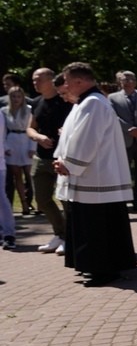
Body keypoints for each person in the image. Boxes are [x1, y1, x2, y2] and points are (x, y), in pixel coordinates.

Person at [53, 63, 137, 286]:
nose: (65, 86)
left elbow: (86, 140)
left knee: (96, 225)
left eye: (67, 81)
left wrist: (69, 164)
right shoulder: (86, 102)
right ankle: (96, 266)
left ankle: (103, 269)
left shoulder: (94, 103)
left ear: (79, 81)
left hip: (96, 176)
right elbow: (72, 136)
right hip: (91, 175)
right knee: (94, 223)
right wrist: (61, 159)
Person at [26, 68, 70, 253]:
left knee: (66, 200)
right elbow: (30, 128)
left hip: (62, 158)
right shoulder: (36, 102)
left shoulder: (65, 100)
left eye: (39, 80)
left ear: (51, 80)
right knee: (42, 200)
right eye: (33, 80)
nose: (35, 83)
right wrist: (38, 137)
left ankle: (70, 237)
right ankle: (60, 234)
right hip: (41, 158)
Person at [107, 71, 137, 212]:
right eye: (124, 79)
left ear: (135, 82)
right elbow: (113, 116)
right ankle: (122, 202)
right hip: (123, 140)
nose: (127, 82)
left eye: (130, 79)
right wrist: (129, 129)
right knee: (123, 172)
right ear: (119, 82)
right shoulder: (112, 98)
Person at [4, 87, 35, 215]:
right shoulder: (4, 111)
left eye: (18, 96)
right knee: (17, 175)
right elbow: (2, 131)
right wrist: (5, 147)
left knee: (30, 174)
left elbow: (34, 127)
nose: (16, 99)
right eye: (13, 96)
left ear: (22, 98)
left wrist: (32, 147)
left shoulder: (29, 109)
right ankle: (24, 204)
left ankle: (35, 201)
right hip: (12, 141)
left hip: (26, 140)